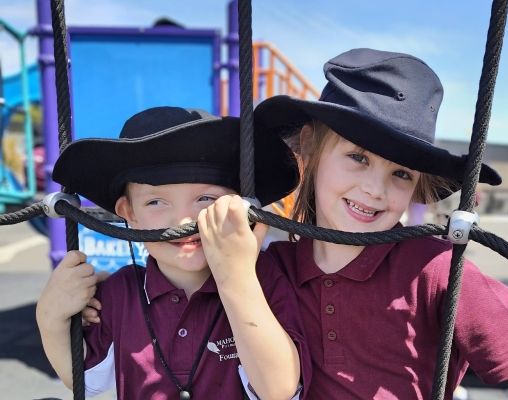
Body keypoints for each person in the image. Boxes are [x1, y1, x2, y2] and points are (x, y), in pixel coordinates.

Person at [207, 49, 508, 399]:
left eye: (401, 174)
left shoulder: (435, 268)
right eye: (358, 157)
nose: (375, 190)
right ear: (310, 146)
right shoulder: (275, 267)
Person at [36, 107, 310, 399]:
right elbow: (85, 379)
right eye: (156, 202)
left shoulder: (265, 278)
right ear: (130, 213)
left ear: (241, 205)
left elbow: (279, 390)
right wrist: (50, 317)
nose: (182, 221)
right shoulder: (121, 291)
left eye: (206, 198)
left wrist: (236, 279)